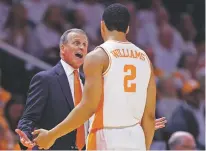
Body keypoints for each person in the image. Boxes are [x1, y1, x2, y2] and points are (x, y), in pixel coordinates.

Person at [33, 3, 157, 150]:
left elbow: (88, 107)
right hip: (136, 137)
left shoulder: (98, 56)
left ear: (102, 25)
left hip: (106, 137)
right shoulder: (144, 58)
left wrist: (51, 135)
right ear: (128, 29)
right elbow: (149, 115)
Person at [15, 28, 89, 150]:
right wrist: (26, 137)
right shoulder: (45, 79)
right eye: (76, 43)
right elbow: (29, 118)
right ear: (63, 48)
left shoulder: (88, 83)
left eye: (85, 44)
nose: (81, 47)